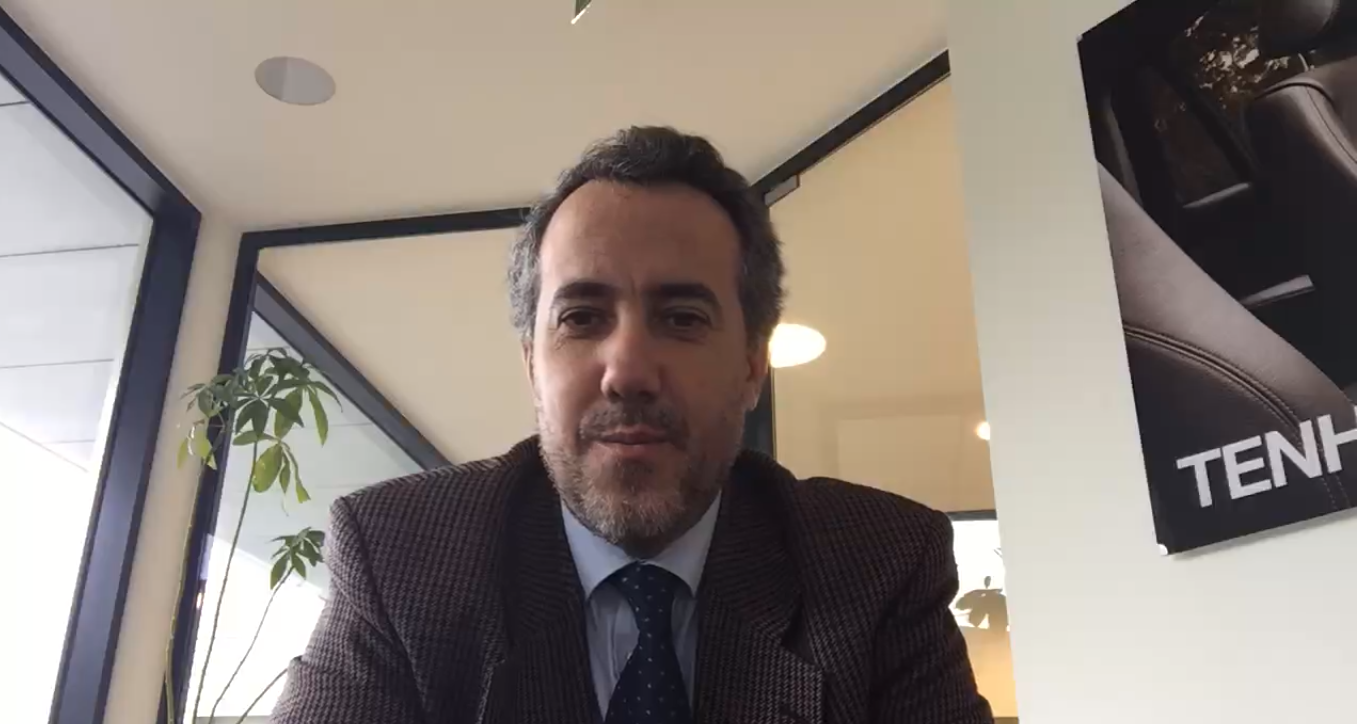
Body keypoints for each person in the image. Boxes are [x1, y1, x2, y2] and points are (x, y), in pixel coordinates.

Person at [272, 127, 993, 724]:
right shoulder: (401, 556)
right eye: (582, 317)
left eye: (683, 318)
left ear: (751, 365)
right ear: (532, 365)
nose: (628, 371)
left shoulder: (877, 565)